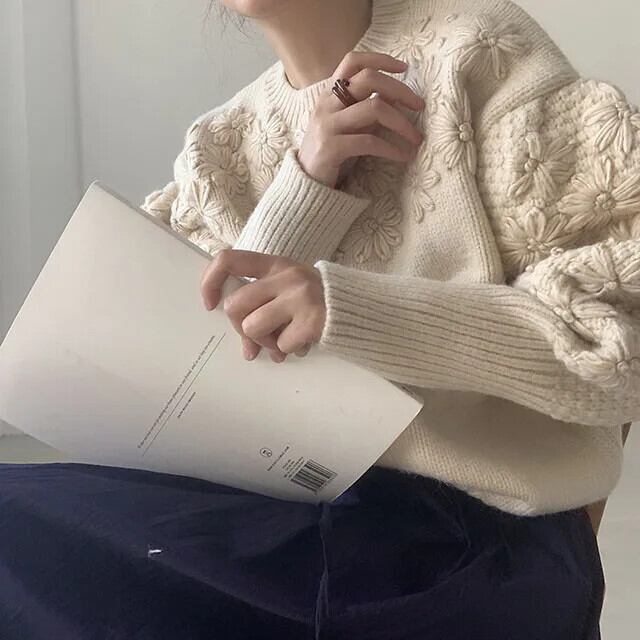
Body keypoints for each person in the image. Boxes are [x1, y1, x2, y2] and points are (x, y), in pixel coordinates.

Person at [0, 0, 638, 638]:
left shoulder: (476, 53)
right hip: (281, 528)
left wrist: (350, 309)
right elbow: (202, 390)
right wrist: (304, 185)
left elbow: (614, 345)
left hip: (477, 544)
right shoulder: (218, 148)